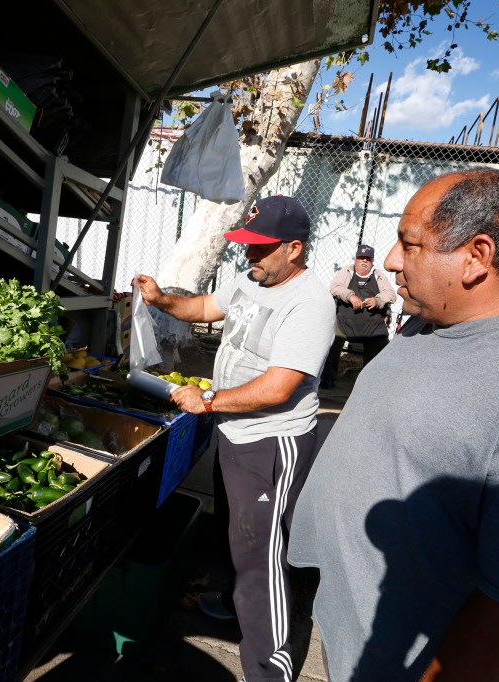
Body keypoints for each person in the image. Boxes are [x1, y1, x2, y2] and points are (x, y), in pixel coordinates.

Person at [287, 169, 499, 682]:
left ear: (476, 256)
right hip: (357, 636)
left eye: (411, 244)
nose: (390, 260)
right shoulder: (431, 321)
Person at [136, 195, 335, 682]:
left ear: (294, 249)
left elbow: (279, 387)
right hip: (235, 433)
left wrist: (208, 401)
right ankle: (234, 603)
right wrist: (162, 299)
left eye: (261, 249)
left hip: (272, 442)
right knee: (238, 534)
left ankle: (270, 669)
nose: (250, 257)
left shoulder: (309, 304)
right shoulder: (251, 279)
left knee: (261, 559)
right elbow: (206, 306)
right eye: (246, 247)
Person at [319, 244, 397, 389]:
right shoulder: (346, 271)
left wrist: (378, 300)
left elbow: (391, 295)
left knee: (380, 347)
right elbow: (335, 287)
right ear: (355, 259)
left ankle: (370, 384)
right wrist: (351, 296)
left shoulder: (378, 274)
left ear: (372, 261)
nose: (364, 261)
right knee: (331, 342)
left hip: (372, 325)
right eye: (361, 258)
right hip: (345, 323)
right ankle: (328, 379)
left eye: (368, 258)